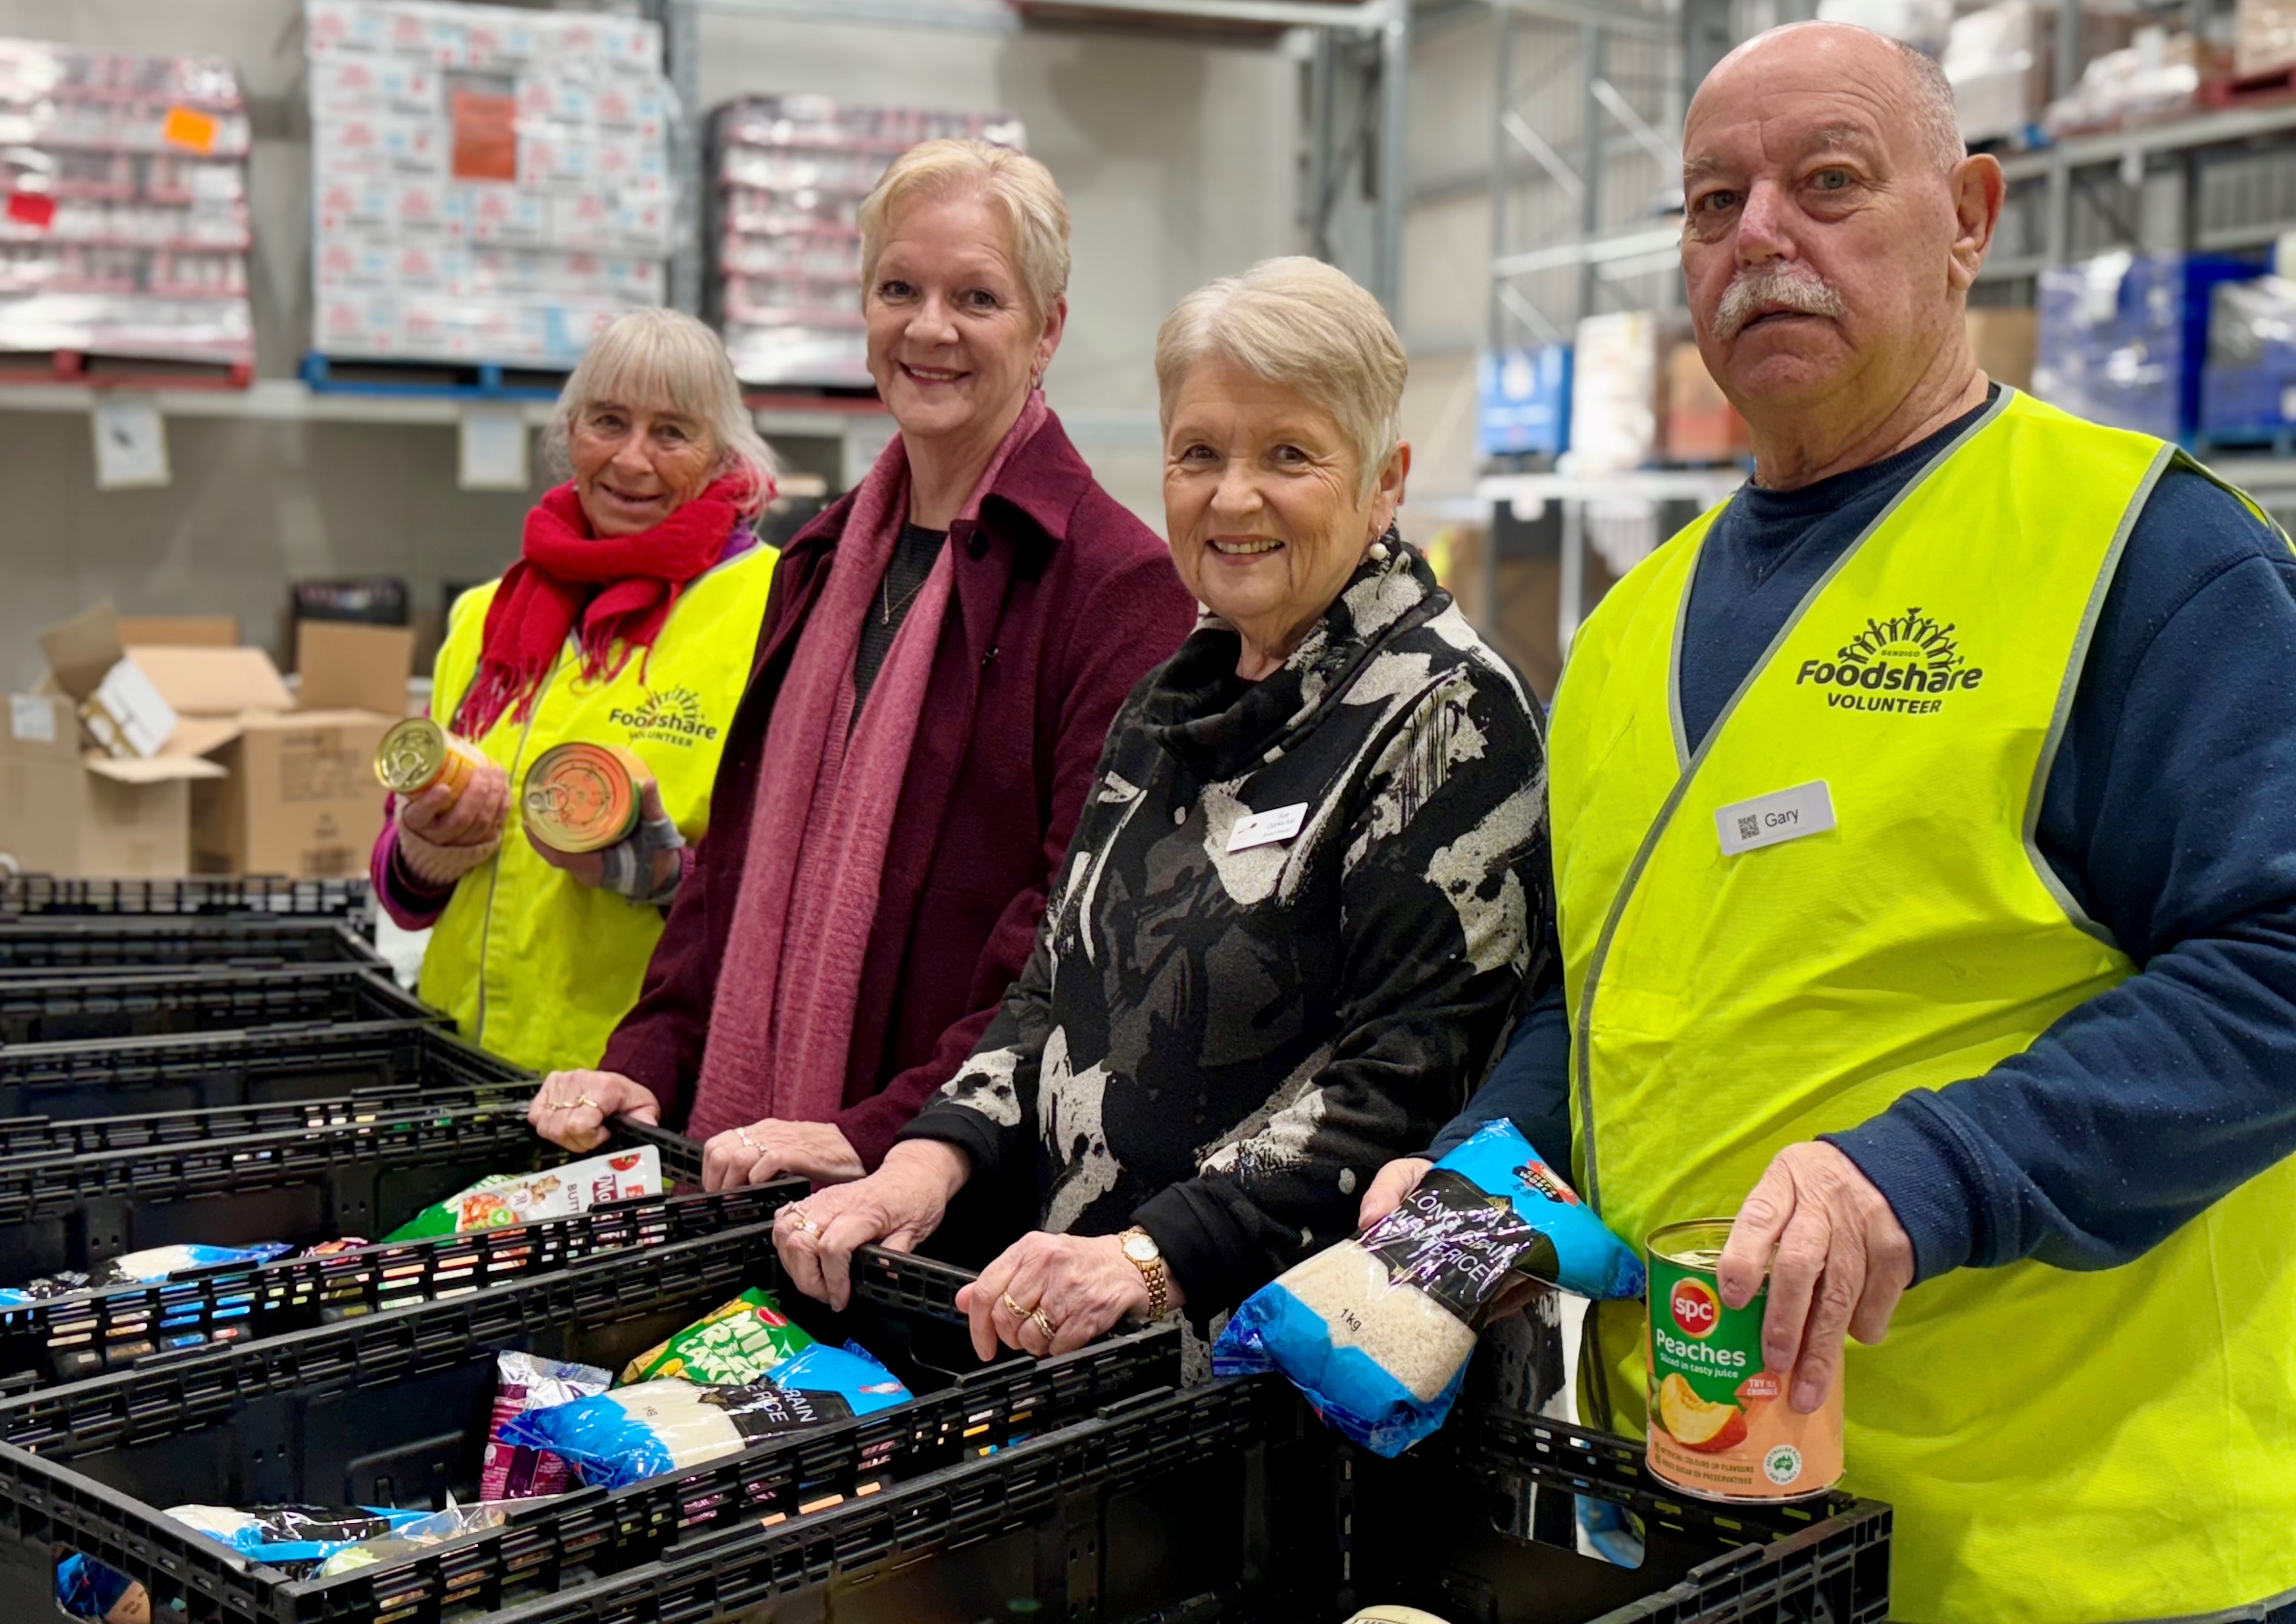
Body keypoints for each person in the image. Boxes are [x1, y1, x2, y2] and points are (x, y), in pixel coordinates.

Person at [1367, 22, 2296, 1624]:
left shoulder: (2136, 551)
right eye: (1714, 204)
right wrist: (1476, 1188)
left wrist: (1929, 1172)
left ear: (1970, 217)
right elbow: (1614, 1009)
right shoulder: (1630, 635)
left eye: (1831, 183)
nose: (1762, 237)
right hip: (1725, 1503)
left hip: (2080, 1543)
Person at [773, 255, 1559, 1364]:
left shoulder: (1444, 709)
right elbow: (1055, 980)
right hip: (1099, 1347)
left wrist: (1147, 1256)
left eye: (1288, 454)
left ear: (1386, 479)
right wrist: (926, 1157)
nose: (1231, 496)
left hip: (1309, 1384)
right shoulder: (1170, 699)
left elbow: (1409, 1077)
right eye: (1199, 454)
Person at [526, 140, 1196, 1192]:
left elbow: (1077, 936)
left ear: (1046, 329)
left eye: (976, 296)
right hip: (747, 1166)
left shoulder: (1114, 587)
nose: (929, 328)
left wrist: (888, 1133)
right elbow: (727, 878)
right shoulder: (820, 561)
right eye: (899, 289)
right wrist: (642, 1061)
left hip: (955, 1203)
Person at [374, 307, 782, 1076]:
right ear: (568, 436)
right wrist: (427, 851)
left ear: (724, 454)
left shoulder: (773, 611)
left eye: (672, 432)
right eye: (609, 421)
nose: (632, 461)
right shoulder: (485, 617)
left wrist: (665, 879)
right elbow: (402, 896)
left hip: (632, 1089)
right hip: (461, 1064)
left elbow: (797, 903)